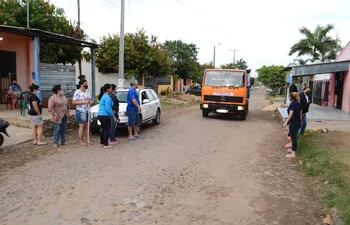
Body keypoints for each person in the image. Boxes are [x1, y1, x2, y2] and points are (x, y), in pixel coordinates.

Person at [72, 80, 92, 146]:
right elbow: (74, 102)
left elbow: (90, 100)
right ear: (81, 85)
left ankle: (88, 139)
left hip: (87, 111)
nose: (86, 85)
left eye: (86, 83)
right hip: (81, 111)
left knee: (88, 126)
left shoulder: (87, 92)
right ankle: (81, 141)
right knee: (81, 126)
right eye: (85, 84)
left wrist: (90, 102)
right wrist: (84, 102)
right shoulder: (77, 92)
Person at [284, 92, 302, 158]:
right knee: (292, 136)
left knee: (293, 137)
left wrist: (286, 122)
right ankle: (292, 149)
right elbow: (300, 114)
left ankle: (293, 153)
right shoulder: (298, 104)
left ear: (291, 97)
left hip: (294, 123)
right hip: (298, 122)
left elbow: (290, 114)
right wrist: (301, 122)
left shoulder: (292, 104)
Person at [98, 83, 114, 149]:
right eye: (110, 88)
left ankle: (102, 143)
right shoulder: (107, 97)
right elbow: (108, 108)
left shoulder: (103, 96)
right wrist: (112, 115)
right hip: (105, 115)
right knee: (106, 130)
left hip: (101, 115)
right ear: (108, 89)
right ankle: (106, 144)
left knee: (103, 129)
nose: (111, 89)